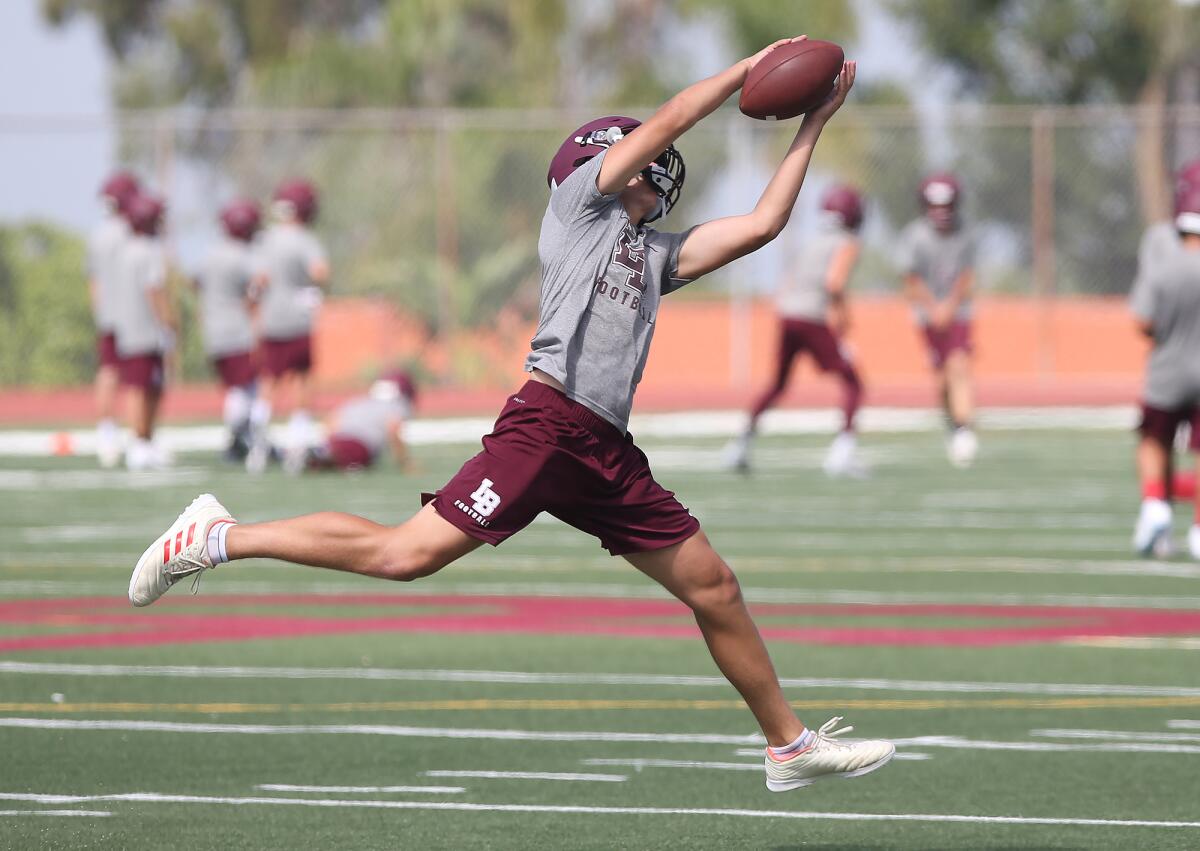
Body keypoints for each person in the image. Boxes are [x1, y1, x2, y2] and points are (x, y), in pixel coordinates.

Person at [129, 40, 894, 792]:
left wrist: (812, 124)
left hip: (604, 448)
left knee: (714, 586)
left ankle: (786, 745)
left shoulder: (652, 253)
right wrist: (745, 72)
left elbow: (761, 226)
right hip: (548, 421)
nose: (657, 166)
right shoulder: (579, 208)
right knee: (405, 556)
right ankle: (219, 536)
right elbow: (664, 126)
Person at [724, 185, 866, 476]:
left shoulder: (813, 241)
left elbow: (788, 283)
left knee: (777, 385)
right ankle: (843, 452)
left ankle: (740, 444)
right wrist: (843, 321)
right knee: (853, 382)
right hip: (813, 317)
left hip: (788, 316)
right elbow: (834, 284)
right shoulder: (847, 242)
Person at [1130, 185, 1200, 559]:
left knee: (1154, 441)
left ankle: (1155, 505)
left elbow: (1141, 319)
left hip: (1167, 370)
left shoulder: (1164, 261)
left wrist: (1165, 334)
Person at [246, 179, 330, 472]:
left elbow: (258, 280)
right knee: (301, 380)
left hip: (271, 318)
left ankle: (257, 441)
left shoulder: (265, 239)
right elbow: (319, 271)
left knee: (268, 380)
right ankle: (297, 444)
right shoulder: (305, 239)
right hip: (297, 318)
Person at [897, 173, 978, 467]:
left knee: (959, 365)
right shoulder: (914, 236)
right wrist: (933, 308)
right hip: (927, 315)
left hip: (958, 312)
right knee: (942, 377)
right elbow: (910, 280)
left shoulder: (965, 232)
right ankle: (953, 424)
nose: (941, 212)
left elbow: (967, 275)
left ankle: (964, 429)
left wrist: (950, 305)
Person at [112, 192, 174, 471]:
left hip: (127, 328)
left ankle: (143, 440)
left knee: (143, 387)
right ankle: (140, 441)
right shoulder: (148, 250)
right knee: (143, 388)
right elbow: (154, 290)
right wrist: (168, 321)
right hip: (145, 332)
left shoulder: (124, 249)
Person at [197, 199, 262, 462]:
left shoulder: (210, 254)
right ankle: (238, 439)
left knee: (236, 387)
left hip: (214, 328)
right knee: (245, 387)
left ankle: (241, 437)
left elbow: (197, 283)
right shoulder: (244, 256)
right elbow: (256, 291)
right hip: (238, 329)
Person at [87, 171, 140, 467]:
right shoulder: (130, 233)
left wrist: (101, 311)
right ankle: (137, 437)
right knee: (135, 377)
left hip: (108, 313)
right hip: (133, 315)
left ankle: (106, 433)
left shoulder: (98, 234)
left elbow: (94, 281)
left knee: (107, 370)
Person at [284, 370, 416, 473]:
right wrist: (404, 462)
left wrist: (328, 440)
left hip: (336, 439)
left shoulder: (359, 401)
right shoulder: (398, 405)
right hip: (360, 445)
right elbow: (393, 428)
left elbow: (331, 421)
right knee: (341, 460)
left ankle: (314, 454)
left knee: (329, 459)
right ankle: (314, 456)